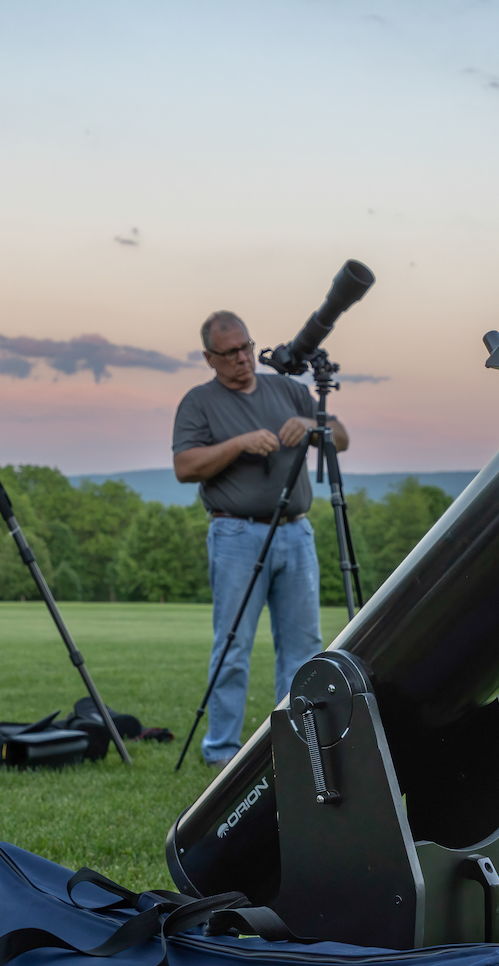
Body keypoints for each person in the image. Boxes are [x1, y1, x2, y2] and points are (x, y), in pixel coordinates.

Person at [172, 310, 349, 768]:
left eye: (246, 348)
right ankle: (222, 753)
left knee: (304, 648)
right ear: (209, 357)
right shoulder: (199, 402)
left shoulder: (288, 389)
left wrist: (313, 427)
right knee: (232, 645)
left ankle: (297, 747)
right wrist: (238, 444)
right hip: (235, 533)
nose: (241, 359)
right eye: (229, 353)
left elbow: (341, 437)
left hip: (296, 532)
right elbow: (185, 467)